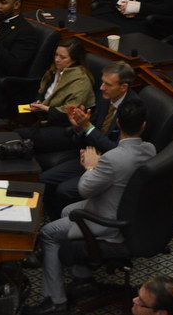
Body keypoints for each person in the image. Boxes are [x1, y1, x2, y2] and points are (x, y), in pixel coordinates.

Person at [25, 101, 155, 315]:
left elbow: (84, 189)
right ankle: (82, 276)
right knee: (67, 211)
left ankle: (55, 302)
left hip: (109, 220)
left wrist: (91, 167)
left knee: (48, 233)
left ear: (119, 122)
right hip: (130, 212)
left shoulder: (113, 159)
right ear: (143, 126)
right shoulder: (150, 149)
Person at [26, 61, 145, 218]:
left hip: (109, 166)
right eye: (102, 82)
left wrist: (87, 127)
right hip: (88, 155)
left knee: (64, 189)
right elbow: (91, 129)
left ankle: (65, 226)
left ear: (123, 87)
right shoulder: (105, 98)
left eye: (108, 84)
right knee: (43, 179)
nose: (102, 87)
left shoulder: (132, 109)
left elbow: (118, 150)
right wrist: (79, 126)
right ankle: (50, 219)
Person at [26, 39, 96, 114]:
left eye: (62, 57)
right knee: (16, 109)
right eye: (56, 54)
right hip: (41, 111)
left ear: (74, 60)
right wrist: (39, 102)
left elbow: (70, 112)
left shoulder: (81, 81)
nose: (56, 59)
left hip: (59, 120)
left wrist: (45, 108)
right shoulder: (55, 69)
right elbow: (44, 91)